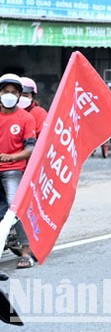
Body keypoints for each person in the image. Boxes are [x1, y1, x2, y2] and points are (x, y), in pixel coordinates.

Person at [0, 74, 37, 269]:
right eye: (5, 91)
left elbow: (30, 148)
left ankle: (26, 252)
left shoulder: (26, 118)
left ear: (20, 95)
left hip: (13, 170)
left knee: (16, 208)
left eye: (13, 92)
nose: (9, 95)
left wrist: (12, 157)